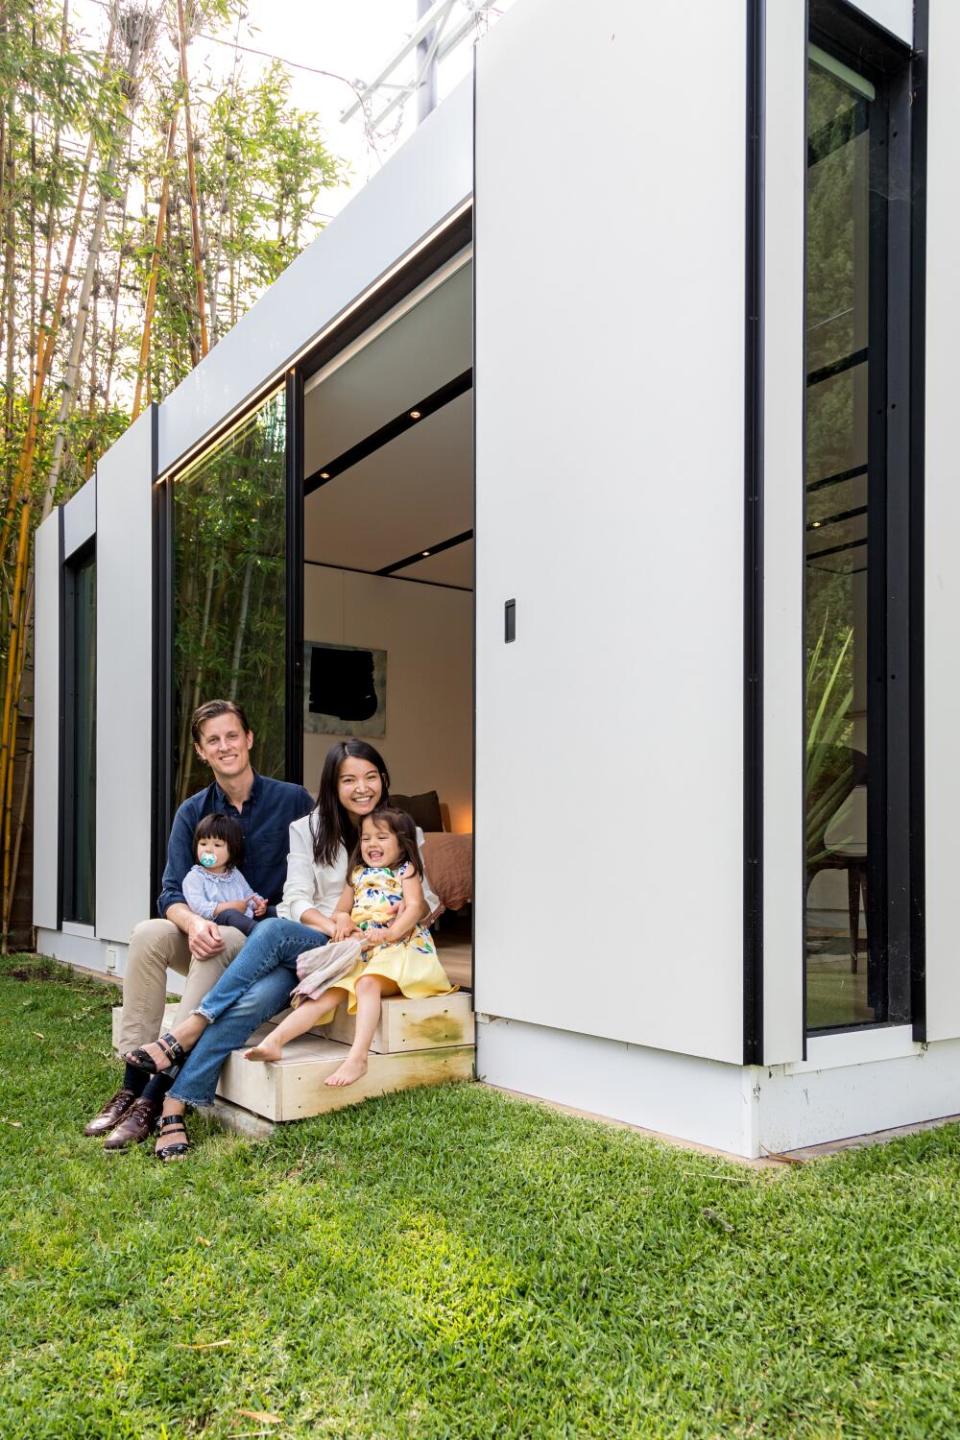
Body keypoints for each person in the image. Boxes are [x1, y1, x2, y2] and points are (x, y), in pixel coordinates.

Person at [126, 740, 437, 1160]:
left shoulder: (404, 831)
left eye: (370, 776)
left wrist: (407, 913)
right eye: (349, 779)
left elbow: (428, 900)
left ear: (383, 779)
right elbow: (295, 899)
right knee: (267, 949)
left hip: (366, 949)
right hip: (318, 939)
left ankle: (180, 1068)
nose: (362, 788)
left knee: (258, 975)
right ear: (333, 784)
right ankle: (177, 1082)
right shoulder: (307, 829)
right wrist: (336, 925)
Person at [82, 699, 313, 1150]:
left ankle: (156, 1092)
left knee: (223, 934)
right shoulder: (192, 812)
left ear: (248, 740)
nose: (224, 746)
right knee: (149, 932)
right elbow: (170, 893)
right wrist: (190, 922)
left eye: (232, 736)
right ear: (200, 751)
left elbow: (326, 864)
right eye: (213, 740)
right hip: (212, 938)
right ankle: (132, 1082)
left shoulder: (293, 801)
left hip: (263, 946)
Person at [245, 806, 454, 1084]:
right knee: (325, 991)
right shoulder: (356, 874)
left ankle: (358, 1059)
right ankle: (274, 1041)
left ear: (402, 844)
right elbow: (341, 910)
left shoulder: (407, 870)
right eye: (366, 838)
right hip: (363, 951)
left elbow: (415, 907)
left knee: (367, 984)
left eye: (381, 837)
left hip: (401, 952)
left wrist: (391, 933)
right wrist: (342, 921)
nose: (371, 844)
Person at [183, 813, 267, 937]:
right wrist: (230, 906)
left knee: (272, 911)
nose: (208, 850)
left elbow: (248, 894)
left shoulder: (234, 873)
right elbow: (199, 908)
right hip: (217, 923)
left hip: (245, 918)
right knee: (230, 914)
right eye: (203, 844)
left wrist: (258, 903)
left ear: (232, 850)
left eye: (217, 845)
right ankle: (263, 935)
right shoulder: (194, 877)